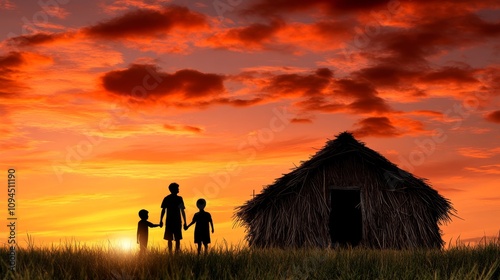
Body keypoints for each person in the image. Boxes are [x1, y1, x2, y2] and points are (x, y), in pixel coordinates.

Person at [159, 182, 187, 253]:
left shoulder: (171, 198)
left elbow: (182, 210)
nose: (178, 189)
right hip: (173, 221)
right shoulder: (176, 199)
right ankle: (172, 253)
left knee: (173, 239)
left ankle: (173, 253)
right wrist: (161, 220)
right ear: (173, 189)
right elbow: (164, 210)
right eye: (177, 188)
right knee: (174, 239)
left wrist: (161, 220)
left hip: (172, 221)